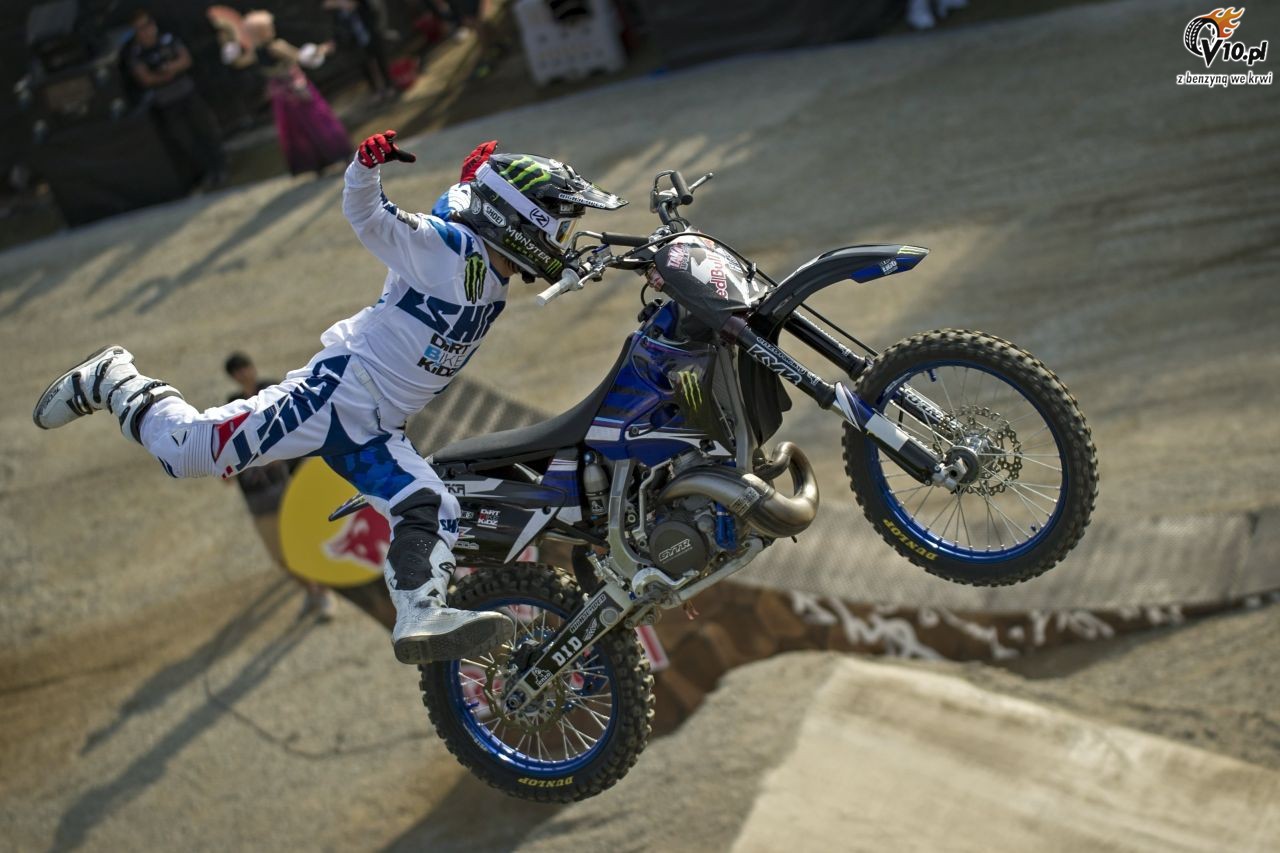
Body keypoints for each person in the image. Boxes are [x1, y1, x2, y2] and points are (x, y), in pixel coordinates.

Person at [33, 131, 627, 665]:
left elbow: (461, 211)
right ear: (522, 217)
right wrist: (363, 170)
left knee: (430, 504)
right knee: (188, 452)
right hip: (336, 393)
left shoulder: (475, 250)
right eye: (558, 220)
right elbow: (370, 218)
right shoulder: (448, 249)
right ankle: (113, 378)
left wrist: (472, 182)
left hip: (376, 428)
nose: (563, 234)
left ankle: (420, 615)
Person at [224, 352, 335, 621]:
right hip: (257, 495)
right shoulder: (232, 404)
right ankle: (312, 592)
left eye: (244, 368)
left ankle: (324, 593)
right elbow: (229, 443)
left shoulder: (274, 390)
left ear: (252, 367)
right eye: (237, 372)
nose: (243, 375)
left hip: (290, 487)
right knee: (281, 556)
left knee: (305, 546)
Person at [221, 10, 351, 176]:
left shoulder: (256, 51)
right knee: (317, 121)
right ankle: (336, 154)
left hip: (281, 94)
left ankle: (319, 162)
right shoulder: (276, 46)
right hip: (295, 89)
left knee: (296, 128)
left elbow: (239, 62)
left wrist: (230, 48)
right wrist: (322, 49)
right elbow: (300, 57)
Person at [127, 8, 228, 188]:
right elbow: (144, 78)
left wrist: (171, 68)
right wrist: (162, 77)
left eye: (147, 25)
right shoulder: (136, 53)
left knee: (206, 129)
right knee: (186, 139)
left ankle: (221, 166)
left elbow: (186, 60)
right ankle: (208, 171)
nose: (146, 30)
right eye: (140, 28)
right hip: (167, 103)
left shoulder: (168, 39)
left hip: (187, 93)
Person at [323, 0, 395, 101]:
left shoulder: (361, 5)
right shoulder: (338, 12)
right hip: (355, 40)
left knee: (380, 59)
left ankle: (389, 85)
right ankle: (375, 90)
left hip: (370, 31)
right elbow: (328, 9)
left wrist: (341, 4)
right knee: (363, 65)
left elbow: (357, 6)